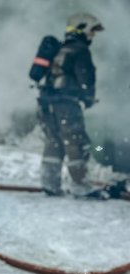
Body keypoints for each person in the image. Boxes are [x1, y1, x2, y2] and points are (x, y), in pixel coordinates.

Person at [36, 13, 104, 196]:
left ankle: (50, 184)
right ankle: (80, 186)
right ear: (81, 29)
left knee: (54, 142)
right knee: (76, 142)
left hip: (46, 103)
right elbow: (86, 78)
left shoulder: (59, 49)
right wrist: (88, 98)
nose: (92, 35)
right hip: (66, 104)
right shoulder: (80, 50)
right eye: (91, 31)